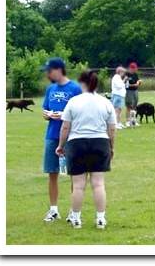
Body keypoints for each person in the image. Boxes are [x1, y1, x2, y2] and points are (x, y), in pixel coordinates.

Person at [56, 70, 117, 229]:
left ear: (82, 83)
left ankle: (76, 218)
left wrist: (61, 146)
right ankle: (100, 219)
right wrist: (111, 147)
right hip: (100, 142)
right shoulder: (105, 102)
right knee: (98, 184)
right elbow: (112, 129)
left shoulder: (73, 102)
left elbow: (65, 127)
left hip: (77, 144)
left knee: (78, 185)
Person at [40, 57, 82, 222]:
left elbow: (80, 113)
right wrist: (46, 114)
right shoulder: (50, 89)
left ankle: (73, 211)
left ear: (58, 70)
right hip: (52, 135)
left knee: (74, 174)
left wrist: (64, 115)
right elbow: (46, 109)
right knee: (52, 173)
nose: (47, 74)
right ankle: (53, 210)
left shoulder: (75, 89)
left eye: (49, 71)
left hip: (71, 136)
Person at [125, 62, 142, 126]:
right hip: (129, 92)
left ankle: (133, 121)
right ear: (130, 68)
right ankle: (127, 121)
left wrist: (139, 82)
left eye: (135, 68)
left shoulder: (135, 74)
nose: (135, 70)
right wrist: (133, 85)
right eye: (134, 68)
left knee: (134, 106)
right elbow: (125, 84)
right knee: (129, 106)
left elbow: (138, 80)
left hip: (135, 91)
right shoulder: (126, 75)